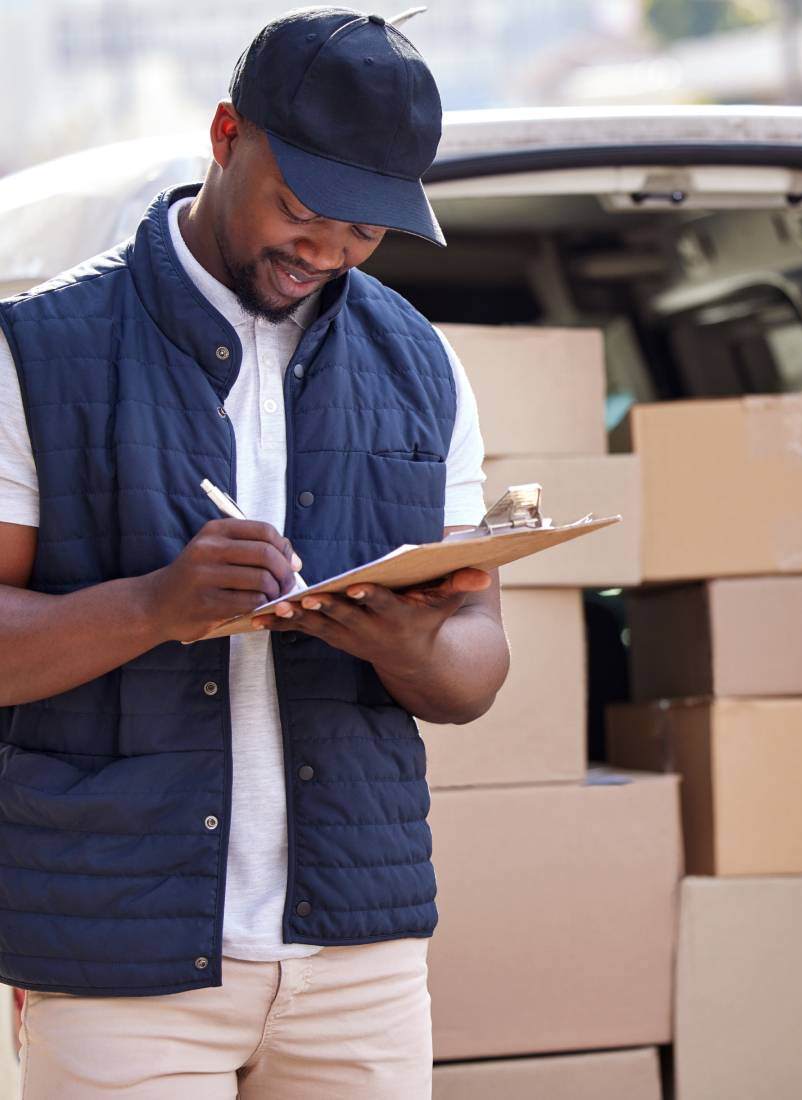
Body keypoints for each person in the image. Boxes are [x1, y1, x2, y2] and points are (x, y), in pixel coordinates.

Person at [0, 8, 509, 1097]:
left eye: (365, 232)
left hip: (359, 958)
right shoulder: (39, 352)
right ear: (227, 134)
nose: (324, 252)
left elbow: (477, 664)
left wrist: (409, 643)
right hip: (118, 955)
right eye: (301, 209)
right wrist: (153, 604)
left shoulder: (422, 364)